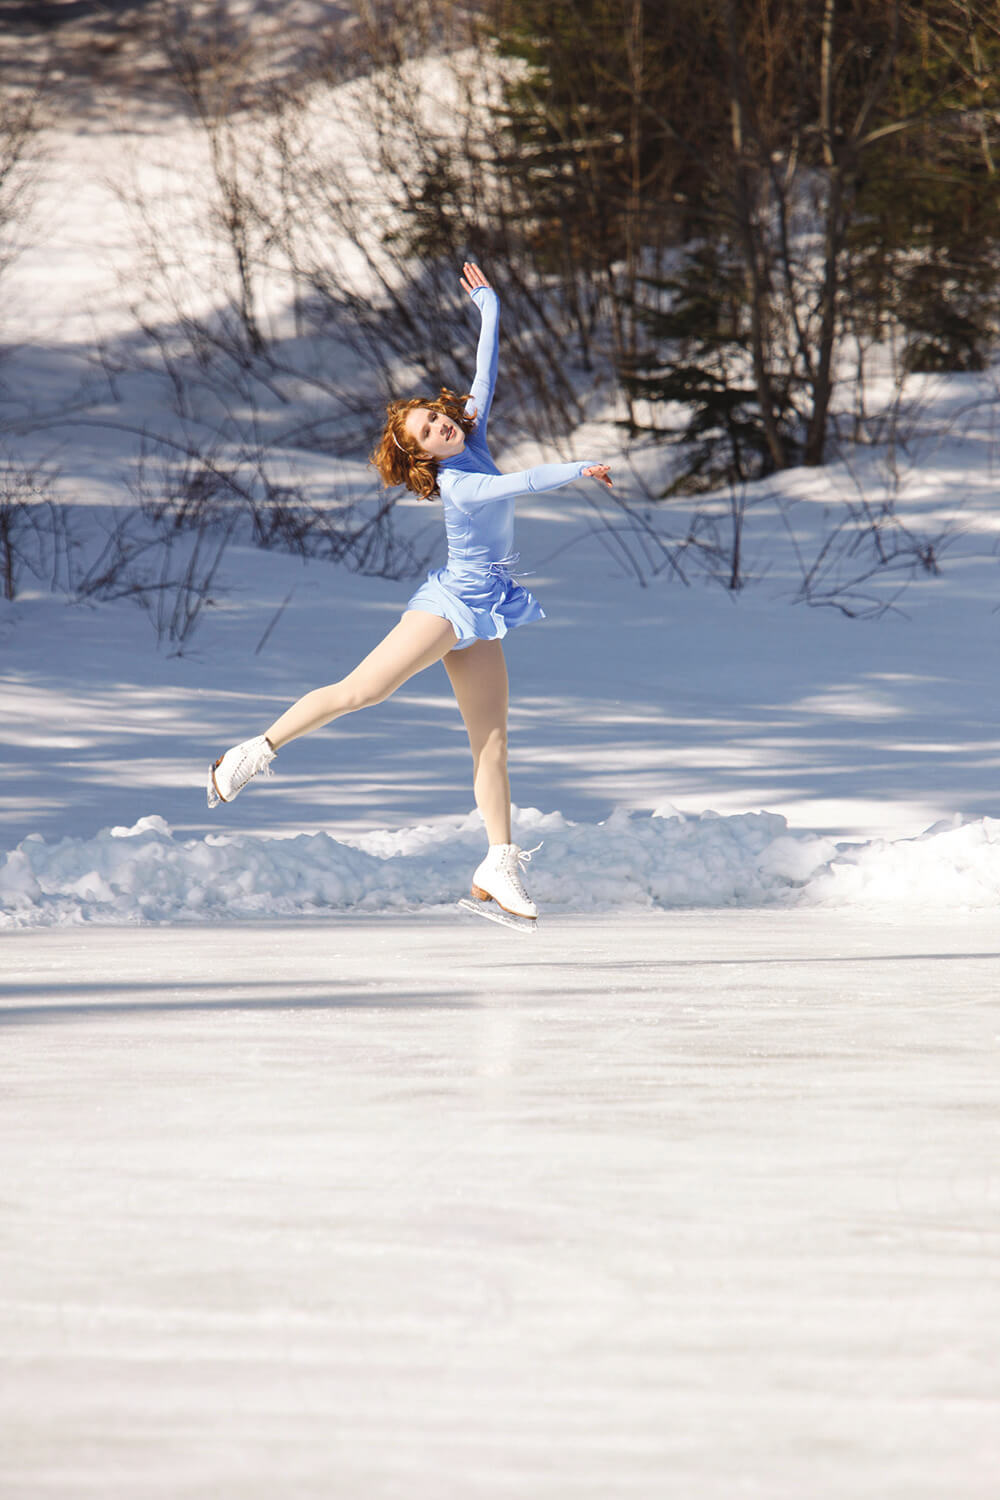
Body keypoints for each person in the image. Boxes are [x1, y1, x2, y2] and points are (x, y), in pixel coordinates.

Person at [207, 262, 612, 923]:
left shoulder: (471, 434)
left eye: (435, 417)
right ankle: (252, 753)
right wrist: (582, 467)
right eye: (427, 433)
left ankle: (498, 863)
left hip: (484, 611)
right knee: (363, 691)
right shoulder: (460, 484)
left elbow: (486, 373)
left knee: (493, 741)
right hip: (450, 605)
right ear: (424, 461)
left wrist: (489, 303)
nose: (440, 426)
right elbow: (526, 483)